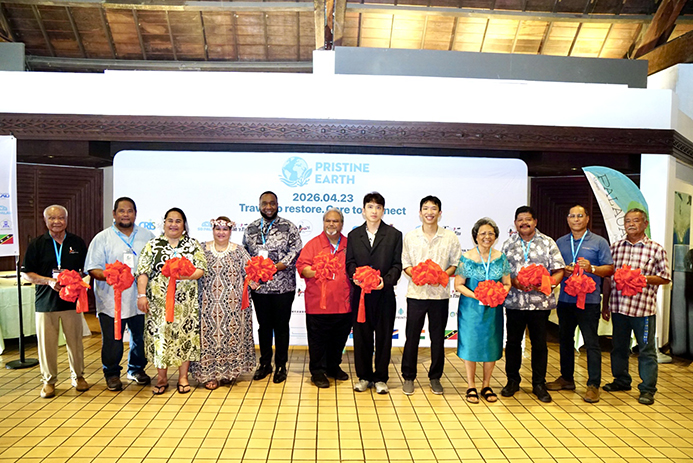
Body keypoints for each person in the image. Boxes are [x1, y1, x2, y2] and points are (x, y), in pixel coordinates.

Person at [85, 197, 155, 392]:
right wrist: (111, 276)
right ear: (114, 214)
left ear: (135, 214)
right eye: (121, 211)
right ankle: (112, 373)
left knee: (140, 338)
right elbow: (93, 268)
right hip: (111, 300)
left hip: (140, 298)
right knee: (113, 340)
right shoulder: (102, 238)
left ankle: (136, 369)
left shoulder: (147, 236)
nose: (126, 214)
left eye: (130, 211)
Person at [546, 205, 614, 403]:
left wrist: (592, 268)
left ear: (587, 219)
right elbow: (553, 268)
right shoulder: (560, 242)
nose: (576, 219)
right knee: (565, 340)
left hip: (589, 301)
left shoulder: (599, 242)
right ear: (568, 219)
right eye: (572, 216)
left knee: (591, 343)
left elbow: (610, 269)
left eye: (580, 216)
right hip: (566, 300)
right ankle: (567, 378)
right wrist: (563, 271)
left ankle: (593, 385)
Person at [136, 208, 207, 394]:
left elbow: (200, 269)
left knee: (186, 337)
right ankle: (161, 378)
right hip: (159, 304)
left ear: (184, 225)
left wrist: (181, 275)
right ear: (164, 223)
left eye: (178, 221)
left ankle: (183, 377)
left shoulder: (192, 245)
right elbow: (142, 272)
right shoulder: (153, 245)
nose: (173, 224)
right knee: (161, 339)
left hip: (186, 305)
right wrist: (141, 295)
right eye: (170, 220)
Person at [21, 205, 89, 399]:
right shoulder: (37, 244)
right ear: (45, 221)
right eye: (52, 218)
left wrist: (79, 281)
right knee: (46, 345)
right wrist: (49, 281)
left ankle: (78, 376)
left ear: (66, 220)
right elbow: (26, 274)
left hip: (71, 303)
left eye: (61, 218)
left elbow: (86, 269)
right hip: (45, 303)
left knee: (75, 343)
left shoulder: (77, 242)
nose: (57, 221)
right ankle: (49, 381)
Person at [603, 208, 670, 405]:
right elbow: (608, 278)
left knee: (646, 350)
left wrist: (642, 279)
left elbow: (665, 278)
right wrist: (605, 305)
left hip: (643, 310)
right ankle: (621, 381)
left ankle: (647, 389)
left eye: (636, 220)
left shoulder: (656, 249)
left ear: (645, 224)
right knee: (619, 348)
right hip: (619, 308)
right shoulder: (615, 248)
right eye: (627, 221)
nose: (631, 224)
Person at [501, 206, 565, 403]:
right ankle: (512, 381)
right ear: (515, 223)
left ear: (535, 222)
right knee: (513, 343)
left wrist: (547, 284)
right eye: (520, 220)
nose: (524, 223)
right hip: (515, 303)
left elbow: (559, 270)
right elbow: (501, 272)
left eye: (528, 219)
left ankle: (539, 384)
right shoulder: (508, 244)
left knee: (539, 344)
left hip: (540, 304)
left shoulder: (548, 242)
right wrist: (513, 282)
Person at [400, 196, 461, 395]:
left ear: (439, 213)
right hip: (416, 295)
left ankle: (435, 377)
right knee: (412, 338)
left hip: (439, 296)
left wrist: (441, 276)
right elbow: (405, 264)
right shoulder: (410, 236)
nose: (429, 212)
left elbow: (455, 263)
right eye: (425, 208)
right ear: (420, 213)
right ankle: (408, 376)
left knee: (437, 338)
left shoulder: (450, 237)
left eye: (433, 208)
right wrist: (418, 276)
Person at [190, 216, 256, 390]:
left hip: (233, 306)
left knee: (231, 336)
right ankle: (209, 374)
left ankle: (228, 372)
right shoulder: (202, 249)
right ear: (212, 230)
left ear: (230, 231)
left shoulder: (239, 251)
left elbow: (250, 273)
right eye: (218, 229)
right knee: (208, 338)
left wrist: (256, 279)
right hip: (207, 305)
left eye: (225, 229)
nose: (221, 232)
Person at [346, 192, 402, 394]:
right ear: (363, 210)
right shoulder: (354, 235)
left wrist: (384, 281)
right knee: (362, 338)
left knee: (384, 338)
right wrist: (355, 276)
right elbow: (350, 263)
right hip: (361, 296)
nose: (374, 211)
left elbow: (397, 265)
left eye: (378, 207)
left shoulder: (394, 235)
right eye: (370, 207)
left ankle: (380, 378)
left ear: (383, 211)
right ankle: (363, 377)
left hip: (384, 295)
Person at [243, 191, 302, 384]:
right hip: (259, 288)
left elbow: (296, 251)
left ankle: (281, 365)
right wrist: (253, 274)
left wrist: (274, 267)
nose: (268, 207)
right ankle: (265, 364)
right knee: (264, 327)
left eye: (272, 203)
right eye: (265, 203)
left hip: (283, 287)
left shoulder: (289, 227)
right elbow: (245, 254)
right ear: (259, 205)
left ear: (277, 205)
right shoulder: (251, 228)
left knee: (282, 327)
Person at [454, 218, 511, 403]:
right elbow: (458, 285)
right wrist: (478, 296)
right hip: (471, 309)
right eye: (483, 233)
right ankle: (471, 385)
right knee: (470, 344)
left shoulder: (501, 258)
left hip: (493, 309)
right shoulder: (467, 258)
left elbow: (507, 283)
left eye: (491, 233)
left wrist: (498, 294)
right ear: (475, 236)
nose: (487, 237)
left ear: (496, 236)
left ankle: (486, 385)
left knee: (491, 344)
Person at [296, 208, 352, 388]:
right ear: (323, 223)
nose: (331, 224)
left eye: (335, 221)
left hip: (344, 303)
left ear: (341, 224)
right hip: (318, 304)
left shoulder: (349, 245)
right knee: (318, 341)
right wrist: (318, 271)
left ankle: (333, 367)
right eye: (328, 221)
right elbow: (302, 268)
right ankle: (318, 372)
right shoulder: (313, 244)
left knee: (339, 340)